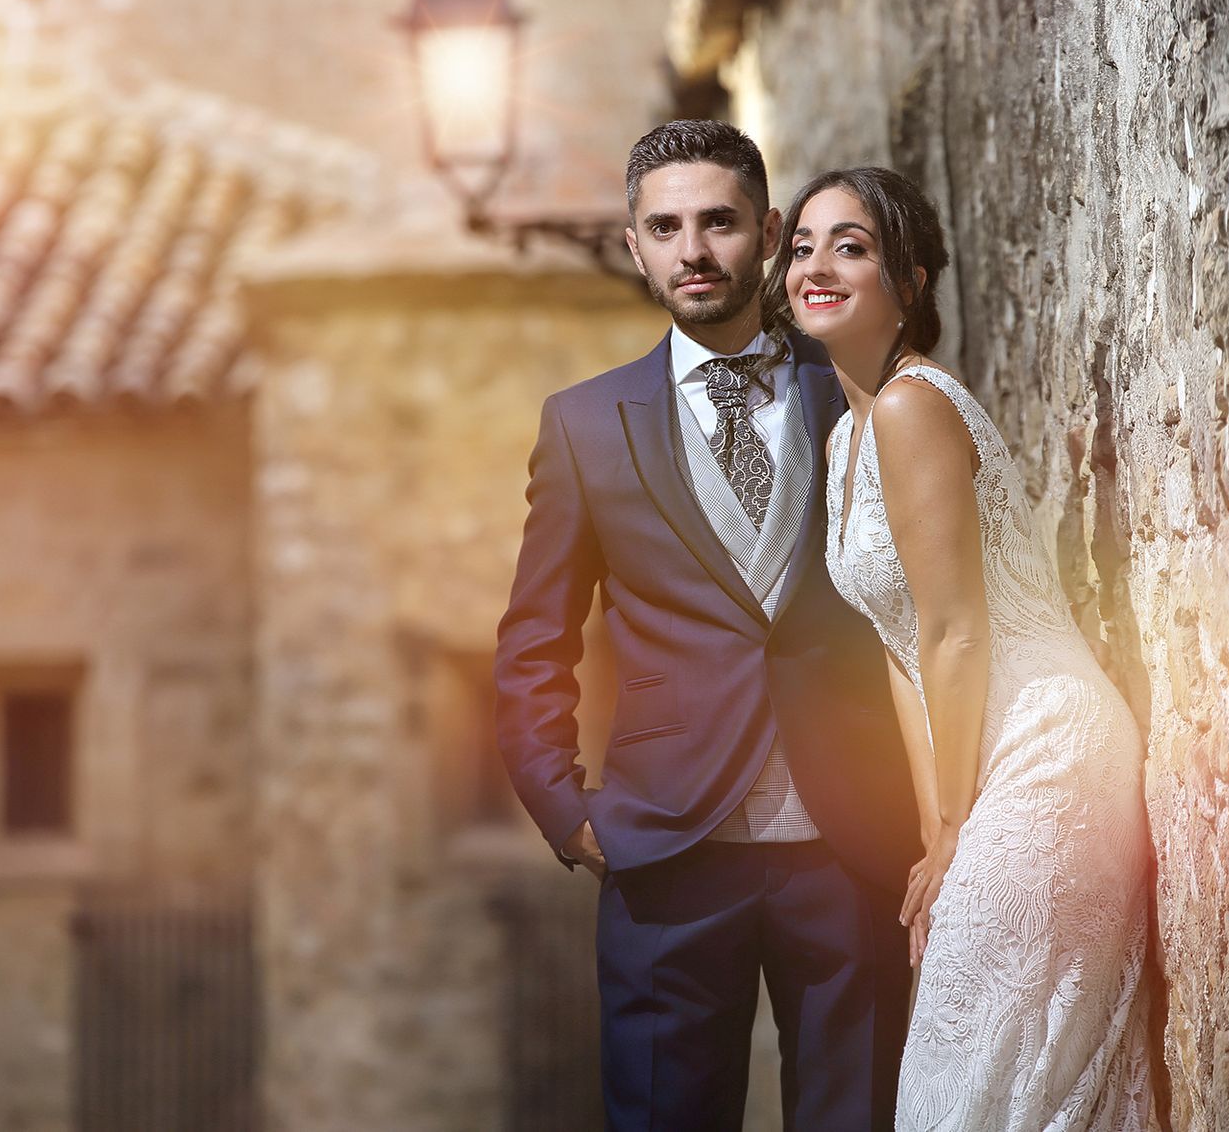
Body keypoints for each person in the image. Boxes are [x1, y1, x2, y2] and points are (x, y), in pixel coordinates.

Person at [495, 122, 922, 1130]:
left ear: (769, 231)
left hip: (853, 844)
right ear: (636, 243)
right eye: (667, 226)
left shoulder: (858, 394)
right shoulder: (586, 425)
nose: (694, 248)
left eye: (720, 221)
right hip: (665, 857)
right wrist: (567, 808)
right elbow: (531, 644)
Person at [775, 166, 1158, 1131]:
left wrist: (956, 827)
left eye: (849, 246)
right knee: (968, 1077)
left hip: (1047, 748)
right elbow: (902, 652)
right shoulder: (842, 443)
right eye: (803, 245)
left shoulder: (912, 408)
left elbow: (955, 629)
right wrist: (931, 837)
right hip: (975, 781)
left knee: (972, 1084)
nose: (816, 264)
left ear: (909, 280)